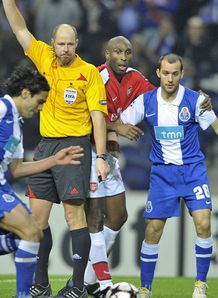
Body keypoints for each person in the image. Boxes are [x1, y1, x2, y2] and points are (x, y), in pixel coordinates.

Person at [58, 37, 212, 297]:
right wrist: (117, 128)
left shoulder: (135, 78)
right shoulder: (94, 76)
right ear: (107, 53)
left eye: (128, 52)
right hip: (87, 151)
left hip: (109, 155)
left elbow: (162, 96)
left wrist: (199, 98)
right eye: (118, 51)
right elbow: (84, 117)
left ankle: (88, 282)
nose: (123, 56)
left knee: (118, 217)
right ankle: (83, 285)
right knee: (94, 218)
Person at [2, 1, 110, 298]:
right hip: (46, 146)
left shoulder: (88, 73)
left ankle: (76, 285)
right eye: (60, 44)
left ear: (77, 44)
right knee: (37, 220)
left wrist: (100, 157)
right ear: (53, 43)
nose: (64, 49)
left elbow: (98, 118)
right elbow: (19, 28)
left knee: (75, 217)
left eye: (69, 44)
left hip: (74, 146)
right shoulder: (44, 59)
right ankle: (41, 283)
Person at [119, 53, 217, 298]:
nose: (170, 78)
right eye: (166, 73)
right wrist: (118, 129)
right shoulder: (146, 101)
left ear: (182, 74)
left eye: (175, 73)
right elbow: (118, 120)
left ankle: (200, 286)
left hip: (193, 171)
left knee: (204, 223)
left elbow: (215, 126)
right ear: (158, 73)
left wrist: (210, 105)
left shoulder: (196, 101)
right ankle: (145, 288)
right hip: (162, 174)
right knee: (152, 230)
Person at [0, 65, 85, 298]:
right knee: (30, 231)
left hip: (2, 186)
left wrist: (55, 160)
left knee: (33, 232)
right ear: (25, 93)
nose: (40, 108)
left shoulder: (16, 125)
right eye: (39, 102)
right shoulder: (2, 107)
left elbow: (16, 170)